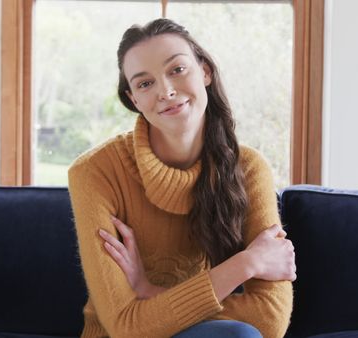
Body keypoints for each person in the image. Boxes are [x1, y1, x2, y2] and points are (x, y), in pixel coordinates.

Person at [68, 18, 296, 338]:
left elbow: (270, 320)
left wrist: (151, 291)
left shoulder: (249, 168)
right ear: (134, 99)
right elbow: (125, 326)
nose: (167, 91)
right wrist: (245, 265)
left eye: (177, 69)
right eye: (145, 84)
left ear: (205, 71)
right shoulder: (95, 172)